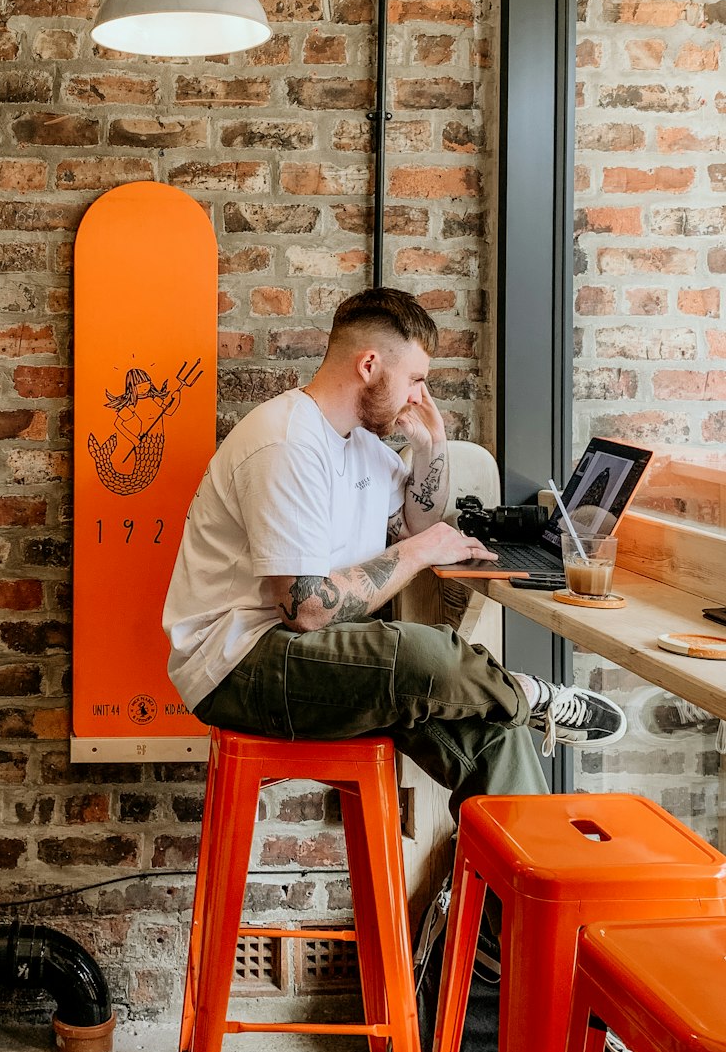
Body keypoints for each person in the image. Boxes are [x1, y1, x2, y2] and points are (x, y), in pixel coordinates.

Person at [163, 287, 626, 819]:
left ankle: (508, 895)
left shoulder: (357, 443)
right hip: (240, 664)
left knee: (498, 732)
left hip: (309, 651)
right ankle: (527, 693)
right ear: (369, 365)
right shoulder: (286, 442)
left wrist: (432, 447)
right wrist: (421, 552)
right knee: (433, 656)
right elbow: (305, 609)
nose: (417, 396)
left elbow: (417, 519)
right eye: (415, 380)